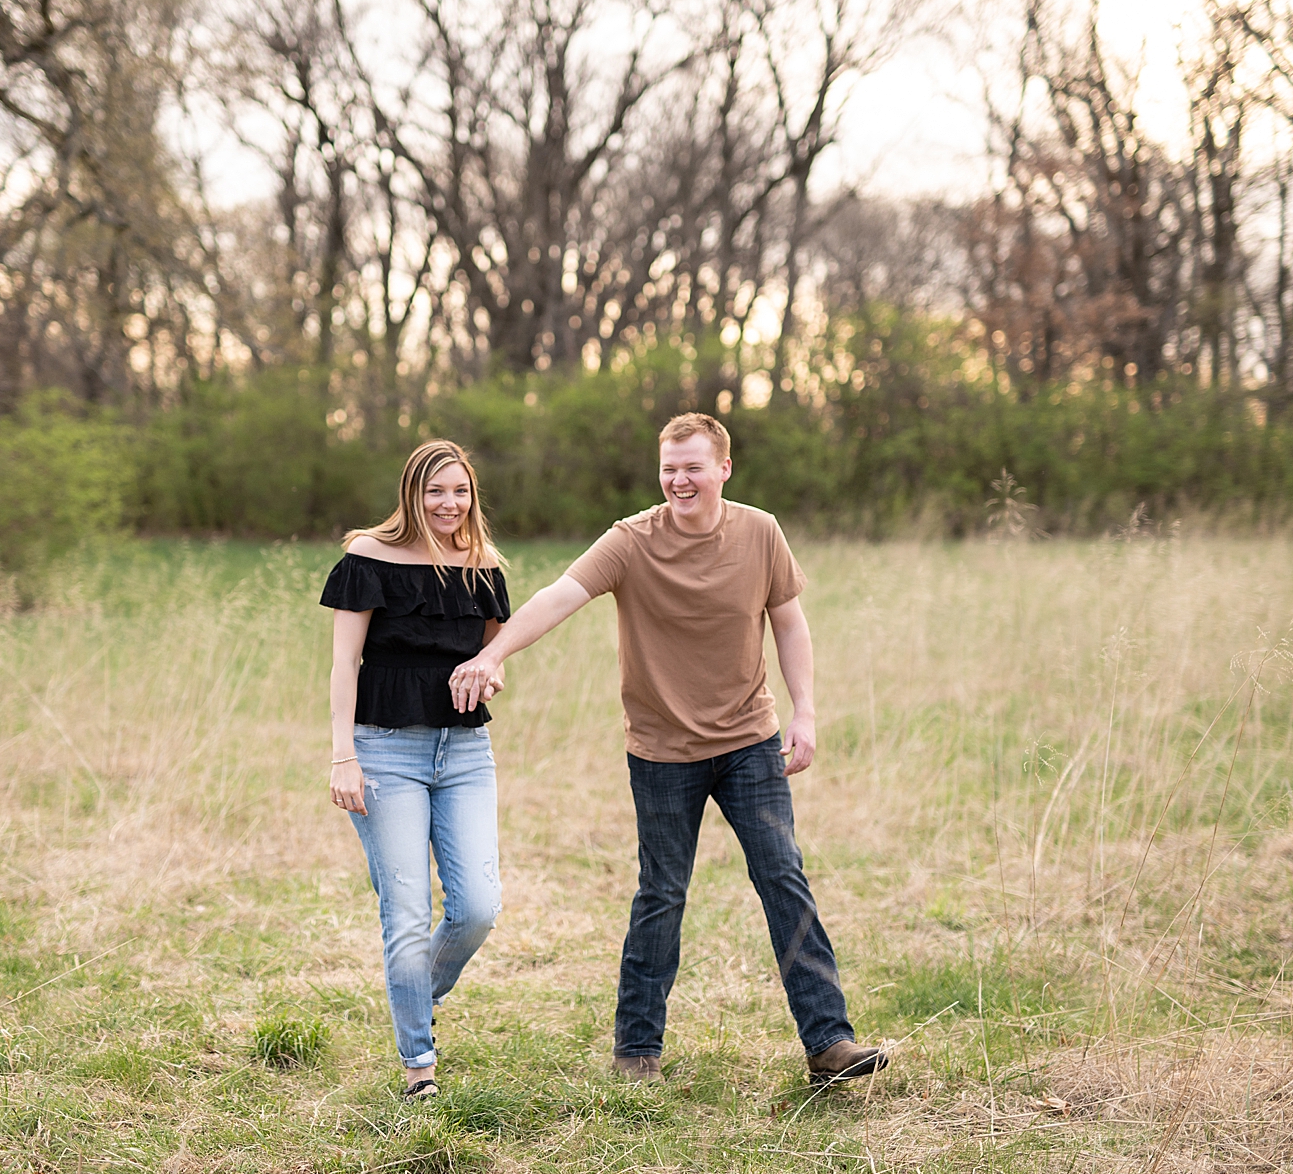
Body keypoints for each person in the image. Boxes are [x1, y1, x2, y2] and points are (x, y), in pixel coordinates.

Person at [448, 413, 888, 1087]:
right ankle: (636, 1052)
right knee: (662, 892)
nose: (679, 480)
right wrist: (493, 653)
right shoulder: (631, 540)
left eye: (693, 467)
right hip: (661, 751)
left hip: (748, 741)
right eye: (669, 469)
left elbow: (789, 623)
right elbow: (558, 596)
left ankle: (829, 1044)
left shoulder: (760, 532)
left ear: (724, 469)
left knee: (783, 877)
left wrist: (805, 712)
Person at [321, 440, 510, 1100]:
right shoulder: (367, 556)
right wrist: (342, 754)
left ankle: (412, 992)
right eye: (435, 491)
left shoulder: (484, 565)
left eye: (459, 491)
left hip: (464, 753)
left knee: (478, 907)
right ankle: (418, 1068)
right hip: (383, 752)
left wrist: (490, 675)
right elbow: (344, 663)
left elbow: (493, 655)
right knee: (405, 911)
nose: (448, 504)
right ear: (412, 493)